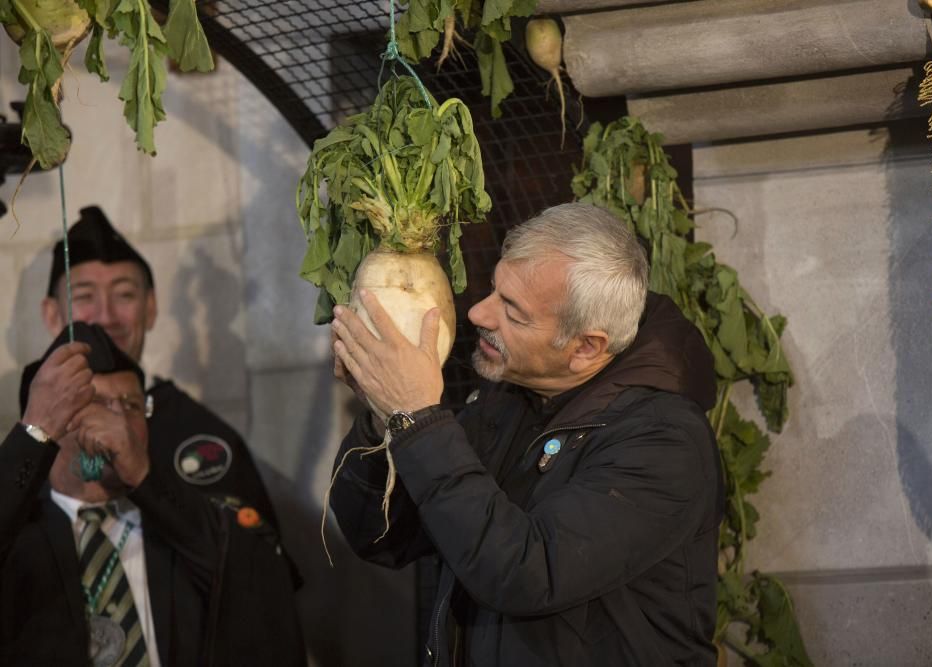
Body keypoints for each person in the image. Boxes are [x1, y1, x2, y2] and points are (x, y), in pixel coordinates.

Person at [329, 203, 725, 666]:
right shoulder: (507, 400)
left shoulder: (664, 442)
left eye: (512, 312)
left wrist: (416, 417)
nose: (478, 312)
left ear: (586, 347)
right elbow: (381, 537)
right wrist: (383, 420)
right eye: (495, 290)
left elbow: (525, 573)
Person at [1, 323, 304, 666]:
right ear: (54, 421)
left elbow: (257, 574)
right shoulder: (18, 529)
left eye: (131, 405)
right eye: (95, 403)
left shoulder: (179, 522)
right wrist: (34, 434)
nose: (119, 422)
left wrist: (146, 477)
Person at [40, 206, 281, 534]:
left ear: (150, 308)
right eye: (84, 296)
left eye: (124, 294)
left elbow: (258, 571)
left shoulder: (203, 439)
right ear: (52, 315)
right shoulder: (34, 434)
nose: (106, 315)